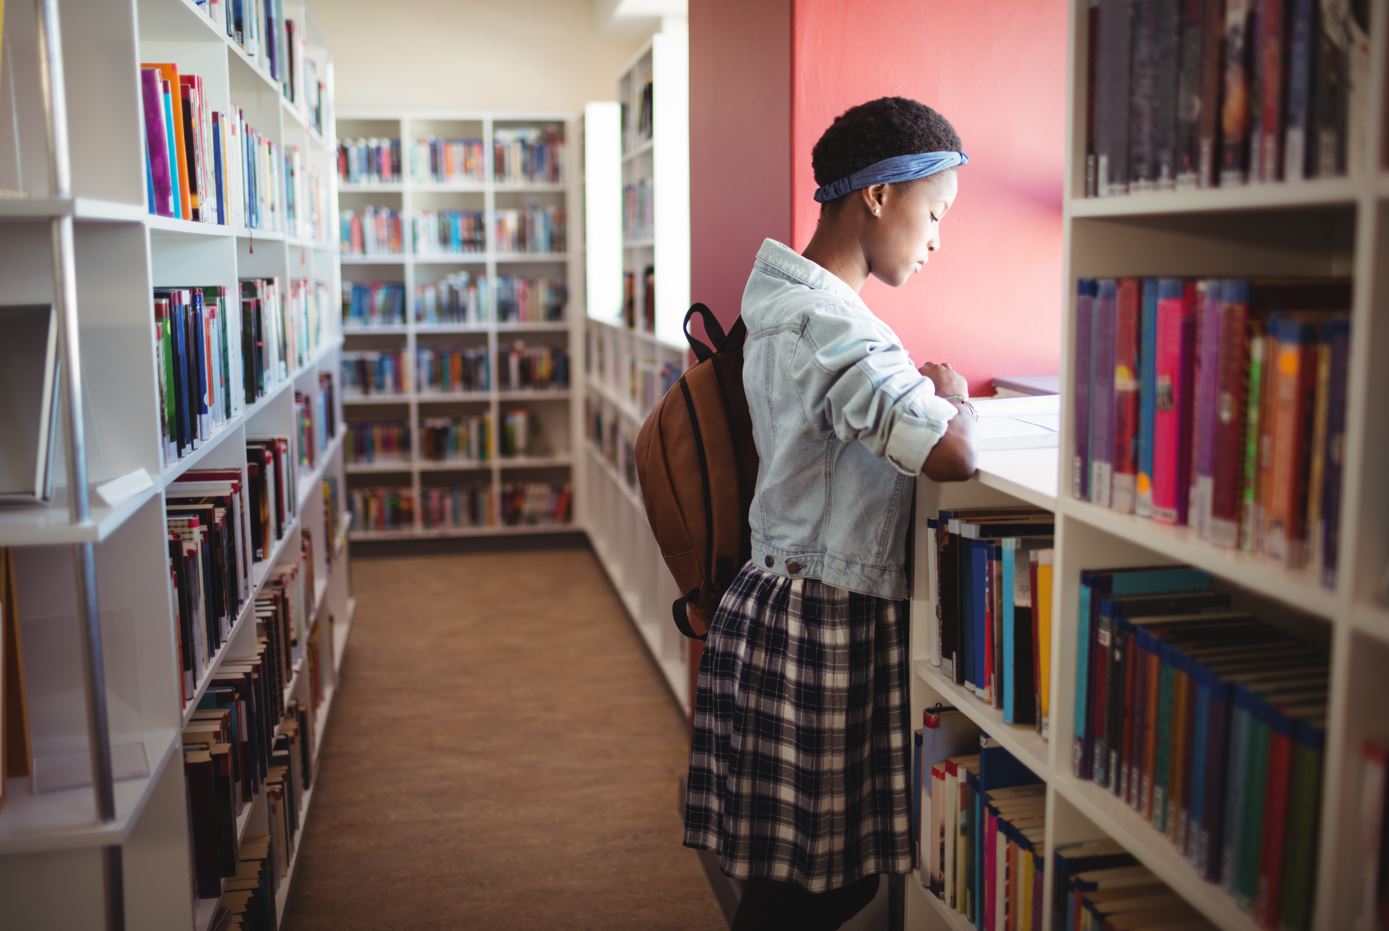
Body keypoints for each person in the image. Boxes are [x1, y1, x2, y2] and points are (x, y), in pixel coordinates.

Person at [682, 96, 978, 930]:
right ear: (877, 196)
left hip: (789, 605)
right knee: (820, 885)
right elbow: (951, 454)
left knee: (814, 878)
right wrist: (952, 400)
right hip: (817, 623)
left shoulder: (784, 301)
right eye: (933, 212)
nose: (936, 240)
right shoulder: (823, 322)